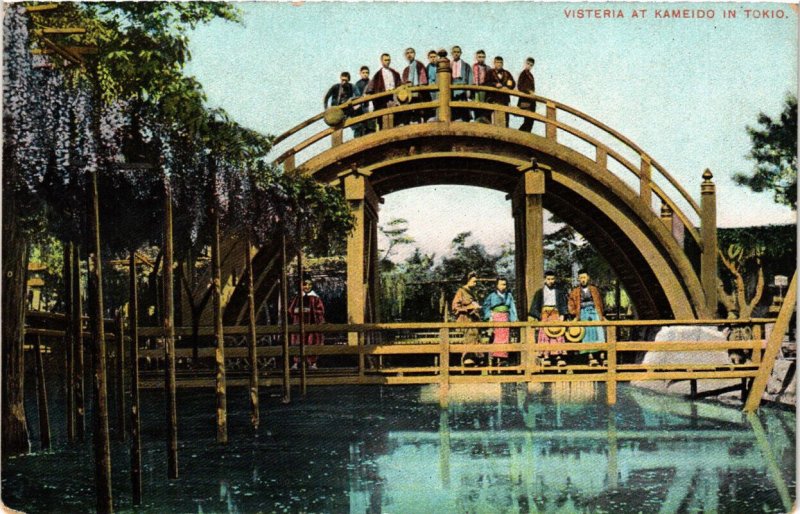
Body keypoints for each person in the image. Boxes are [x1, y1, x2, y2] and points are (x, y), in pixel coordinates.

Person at [529, 270, 569, 366]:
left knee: (557, 334)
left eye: (552, 279)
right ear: (545, 280)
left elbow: (563, 305)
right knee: (545, 335)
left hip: (556, 315)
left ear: (555, 279)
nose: (550, 281)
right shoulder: (539, 293)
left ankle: (558, 357)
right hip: (545, 316)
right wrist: (540, 316)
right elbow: (533, 308)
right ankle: (546, 357)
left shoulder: (559, 292)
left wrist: (562, 314)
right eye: (548, 279)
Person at [568, 269, 605, 366]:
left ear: (588, 278)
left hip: (594, 312)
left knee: (598, 332)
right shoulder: (575, 291)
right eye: (581, 278)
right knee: (586, 334)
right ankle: (589, 356)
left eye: (584, 277)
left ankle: (599, 354)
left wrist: (601, 314)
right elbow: (571, 304)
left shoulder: (594, 289)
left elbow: (600, 302)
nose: (583, 280)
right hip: (582, 313)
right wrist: (575, 314)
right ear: (578, 279)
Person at [289, 279, 326, 370]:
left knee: (312, 341)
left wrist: (312, 312)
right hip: (298, 323)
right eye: (305, 285)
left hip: (311, 323)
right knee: (297, 342)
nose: (307, 287)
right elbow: (291, 310)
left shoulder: (315, 298)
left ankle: (312, 363)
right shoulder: (297, 298)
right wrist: (297, 312)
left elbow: (321, 311)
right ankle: (296, 362)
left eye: (309, 285)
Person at [482, 277, 518, 365]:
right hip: (496, 318)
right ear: (497, 285)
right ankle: (494, 358)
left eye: (505, 284)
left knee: (505, 338)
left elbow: (512, 308)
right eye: (501, 284)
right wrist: (489, 316)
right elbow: (486, 306)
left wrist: (514, 319)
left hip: (505, 318)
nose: (503, 286)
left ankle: (503, 359)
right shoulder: (491, 296)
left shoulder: (509, 295)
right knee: (496, 338)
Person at [452, 271, 482, 366]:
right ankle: (467, 361)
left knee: (476, 339)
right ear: (467, 281)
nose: (475, 283)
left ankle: (475, 361)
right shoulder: (461, 292)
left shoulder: (472, 293)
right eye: (473, 281)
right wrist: (470, 307)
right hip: (465, 320)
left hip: (473, 320)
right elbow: (455, 307)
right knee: (469, 340)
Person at [365, 53, 402, 129]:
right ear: (381, 61)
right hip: (382, 101)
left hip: (393, 99)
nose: (387, 62)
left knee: (395, 120)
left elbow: (400, 85)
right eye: (385, 60)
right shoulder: (377, 75)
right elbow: (369, 89)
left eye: (388, 60)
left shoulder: (394, 73)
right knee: (383, 122)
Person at [401, 47, 429, 124]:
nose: (409, 55)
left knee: (419, 111)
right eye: (407, 53)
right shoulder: (406, 69)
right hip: (409, 93)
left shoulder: (420, 65)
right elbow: (403, 82)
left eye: (411, 53)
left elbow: (423, 80)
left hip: (419, 92)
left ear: (414, 54)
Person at [485, 56, 516, 127]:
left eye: (501, 63)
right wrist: (495, 84)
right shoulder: (490, 72)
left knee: (505, 121)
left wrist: (508, 87)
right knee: (492, 120)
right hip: (493, 99)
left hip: (504, 100)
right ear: (494, 63)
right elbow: (486, 83)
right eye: (497, 62)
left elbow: (513, 83)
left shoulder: (507, 73)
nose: (499, 64)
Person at [449, 45, 473, 121]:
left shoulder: (466, 65)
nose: (456, 54)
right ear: (452, 53)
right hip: (452, 87)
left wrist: (468, 89)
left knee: (463, 105)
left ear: (461, 53)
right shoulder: (449, 65)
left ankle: (464, 120)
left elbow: (470, 77)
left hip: (462, 86)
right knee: (453, 104)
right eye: (454, 52)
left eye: (458, 52)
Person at [352, 66, 375, 137]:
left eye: (367, 73)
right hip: (360, 107)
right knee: (360, 126)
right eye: (363, 73)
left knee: (371, 124)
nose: (365, 74)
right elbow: (355, 96)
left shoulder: (372, 83)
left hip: (370, 106)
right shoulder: (357, 84)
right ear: (360, 73)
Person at [517, 57, 536, 132]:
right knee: (528, 118)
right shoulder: (523, 74)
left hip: (530, 100)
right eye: (528, 64)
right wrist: (528, 91)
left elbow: (533, 88)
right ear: (525, 63)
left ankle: (526, 132)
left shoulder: (531, 75)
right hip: (524, 99)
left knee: (531, 118)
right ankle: (521, 132)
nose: (529, 66)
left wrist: (532, 92)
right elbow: (520, 86)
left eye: (531, 65)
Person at [472, 49, 491, 123]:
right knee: (476, 105)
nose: (481, 59)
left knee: (484, 105)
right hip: (476, 88)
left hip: (484, 89)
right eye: (479, 57)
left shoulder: (488, 68)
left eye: (483, 57)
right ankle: (477, 120)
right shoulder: (473, 67)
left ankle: (484, 121)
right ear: (476, 57)